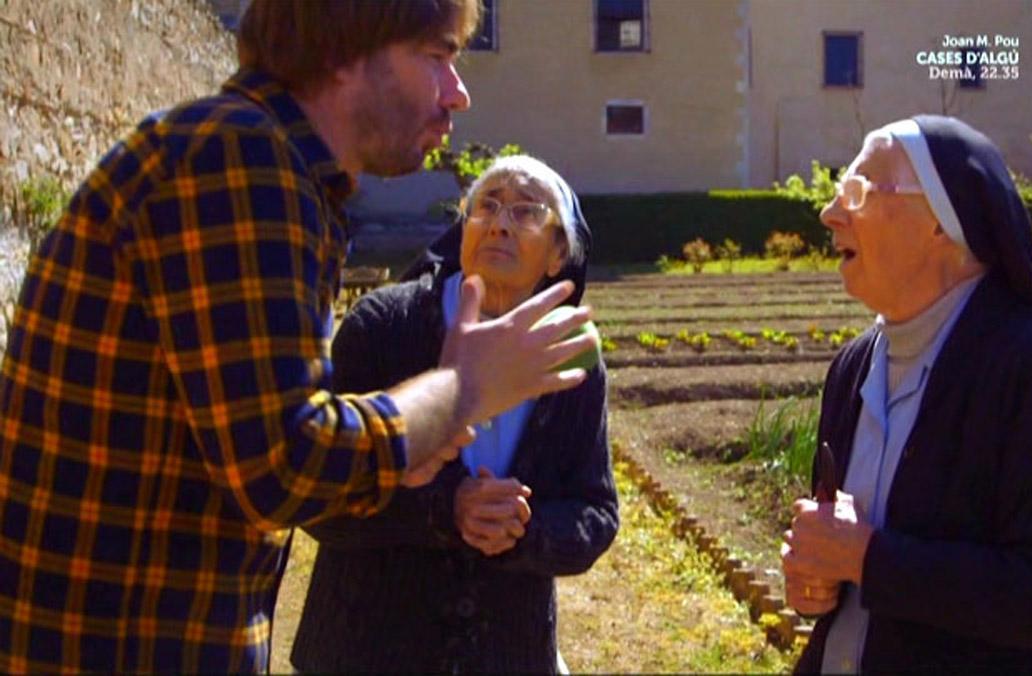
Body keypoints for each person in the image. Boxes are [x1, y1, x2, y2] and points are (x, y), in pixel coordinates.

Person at [0, 2, 598, 672]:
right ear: (347, 51)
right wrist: (463, 391)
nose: (457, 92)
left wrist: (420, 441)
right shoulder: (241, 160)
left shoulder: (261, 164)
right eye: (437, 55)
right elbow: (286, 466)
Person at [781, 115, 1032, 673]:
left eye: (858, 191)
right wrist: (815, 576)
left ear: (942, 222)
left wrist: (868, 559)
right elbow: (846, 559)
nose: (830, 212)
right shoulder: (853, 366)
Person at [291, 155, 618, 674]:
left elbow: (595, 513)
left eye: (527, 211)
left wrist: (522, 531)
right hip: (365, 650)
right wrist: (447, 509)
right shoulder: (383, 327)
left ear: (559, 255)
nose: (500, 221)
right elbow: (317, 496)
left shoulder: (572, 358)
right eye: (486, 205)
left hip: (506, 654)